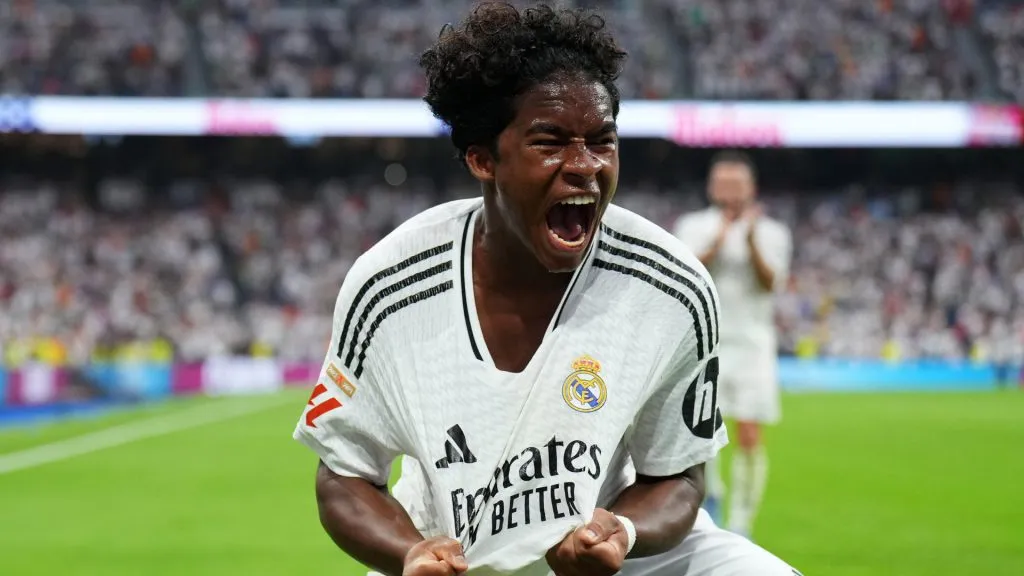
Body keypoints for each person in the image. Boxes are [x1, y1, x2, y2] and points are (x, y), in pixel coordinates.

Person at [294, 3, 800, 575]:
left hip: (615, 549)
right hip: (447, 555)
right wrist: (408, 552)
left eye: (602, 141)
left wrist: (623, 531)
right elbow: (344, 475)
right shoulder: (390, 285)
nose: (585, 165)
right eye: (550, 142)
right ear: (482, 158)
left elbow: (680, 475)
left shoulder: (671, 285)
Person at [671, 151, 793, 539]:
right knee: (702, 430)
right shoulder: (693, 226)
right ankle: (713, 498)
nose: (729, 191)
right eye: (723, 183)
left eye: (736, 184)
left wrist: (752, 241)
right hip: (706, 342)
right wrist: (718, 241)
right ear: (711, 187)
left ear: (751, 187)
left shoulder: (771, 231)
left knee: (750, 432)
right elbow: (685, 274)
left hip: (753, 343)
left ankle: (742, 520)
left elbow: (771, 283)